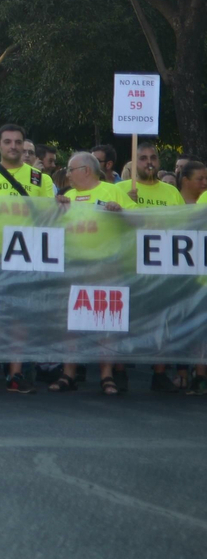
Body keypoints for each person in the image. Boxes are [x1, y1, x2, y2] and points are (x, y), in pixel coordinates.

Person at [0, 123, 56, 393]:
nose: (14, 147)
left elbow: (50, 218)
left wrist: (60, 206)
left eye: (18, 142)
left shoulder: (41, 179)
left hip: (25, 254)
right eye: (8, 142)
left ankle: (15, 374)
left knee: (19, 314)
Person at [47, 153, 127, 395]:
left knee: (107, 321)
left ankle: (106, 375)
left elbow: (138, 219)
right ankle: (68, 372)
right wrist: (56, 211)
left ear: (86, 170)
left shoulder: (112, 191)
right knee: (71, 322)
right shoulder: (66, 197)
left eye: (71, 169)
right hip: (73, 266)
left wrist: (120, 211)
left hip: (106, 265)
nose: (67, 174)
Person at [113, 139, 187, 393]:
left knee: (160, 321)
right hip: (127, 265)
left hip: (160, 266)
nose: (149, 163)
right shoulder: (120, 188)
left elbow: (181, 226)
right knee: (125, 320)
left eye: (152, 158)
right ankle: (120, 370)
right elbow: (106, 221)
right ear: (134, 163)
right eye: (143, 158)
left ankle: (159, 372)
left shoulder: (171, 192)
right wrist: (125, 204)